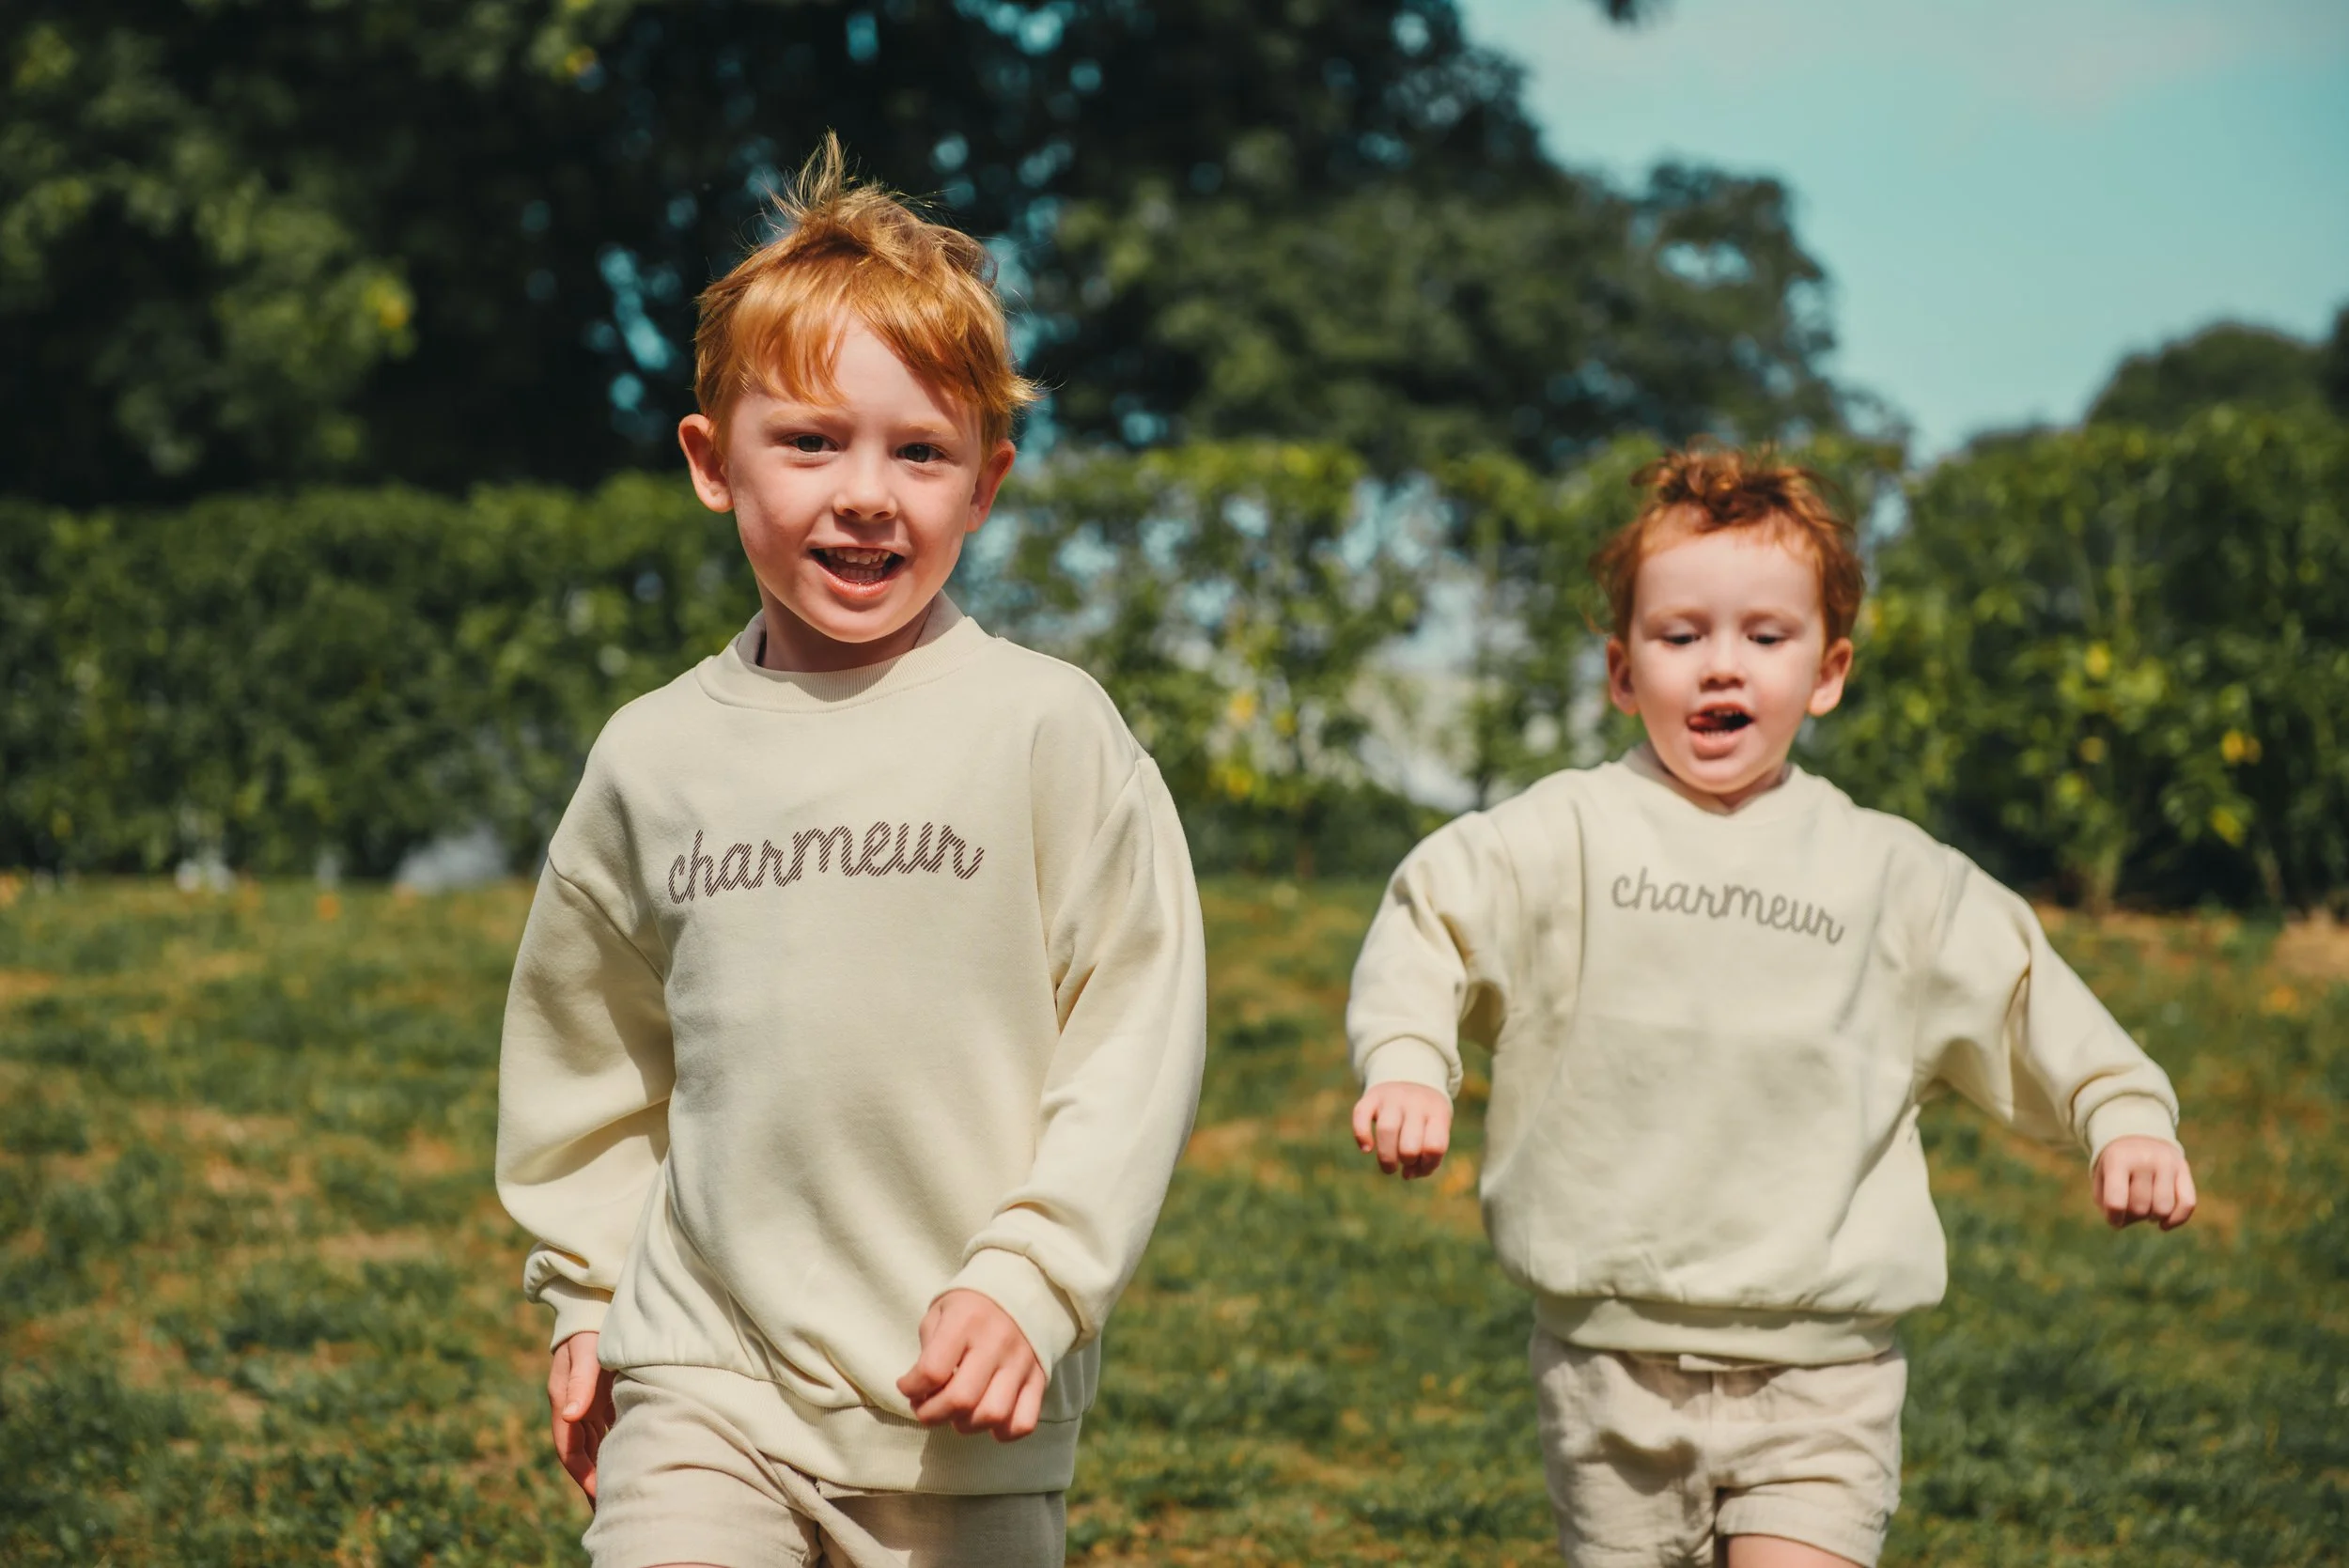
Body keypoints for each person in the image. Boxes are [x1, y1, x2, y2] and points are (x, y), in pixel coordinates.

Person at [496, 136, 1206, 1568]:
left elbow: (1137, 1030)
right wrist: (590, 1295)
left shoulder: (1044, 729)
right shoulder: (653, 756)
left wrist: (1035, 1276)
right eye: (812, 442)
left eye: (921, 452)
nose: (868, 491)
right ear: (713, 462)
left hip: (962, 1411)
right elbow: (590, 1053)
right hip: (702, 1377)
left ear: (986, 484)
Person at [1344, 445, 2197, 1568]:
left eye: (1764, 636)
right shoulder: (1559, 837)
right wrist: (1408, 1058)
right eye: (1679, 635)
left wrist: (2122, 1112)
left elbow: (2021, 993)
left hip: (1824, 1372)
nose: (1720, 667)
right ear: (1620, 670)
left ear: (1827, 670)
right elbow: (1430, 918)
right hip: (1608, 1366)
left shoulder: (1892, 876)